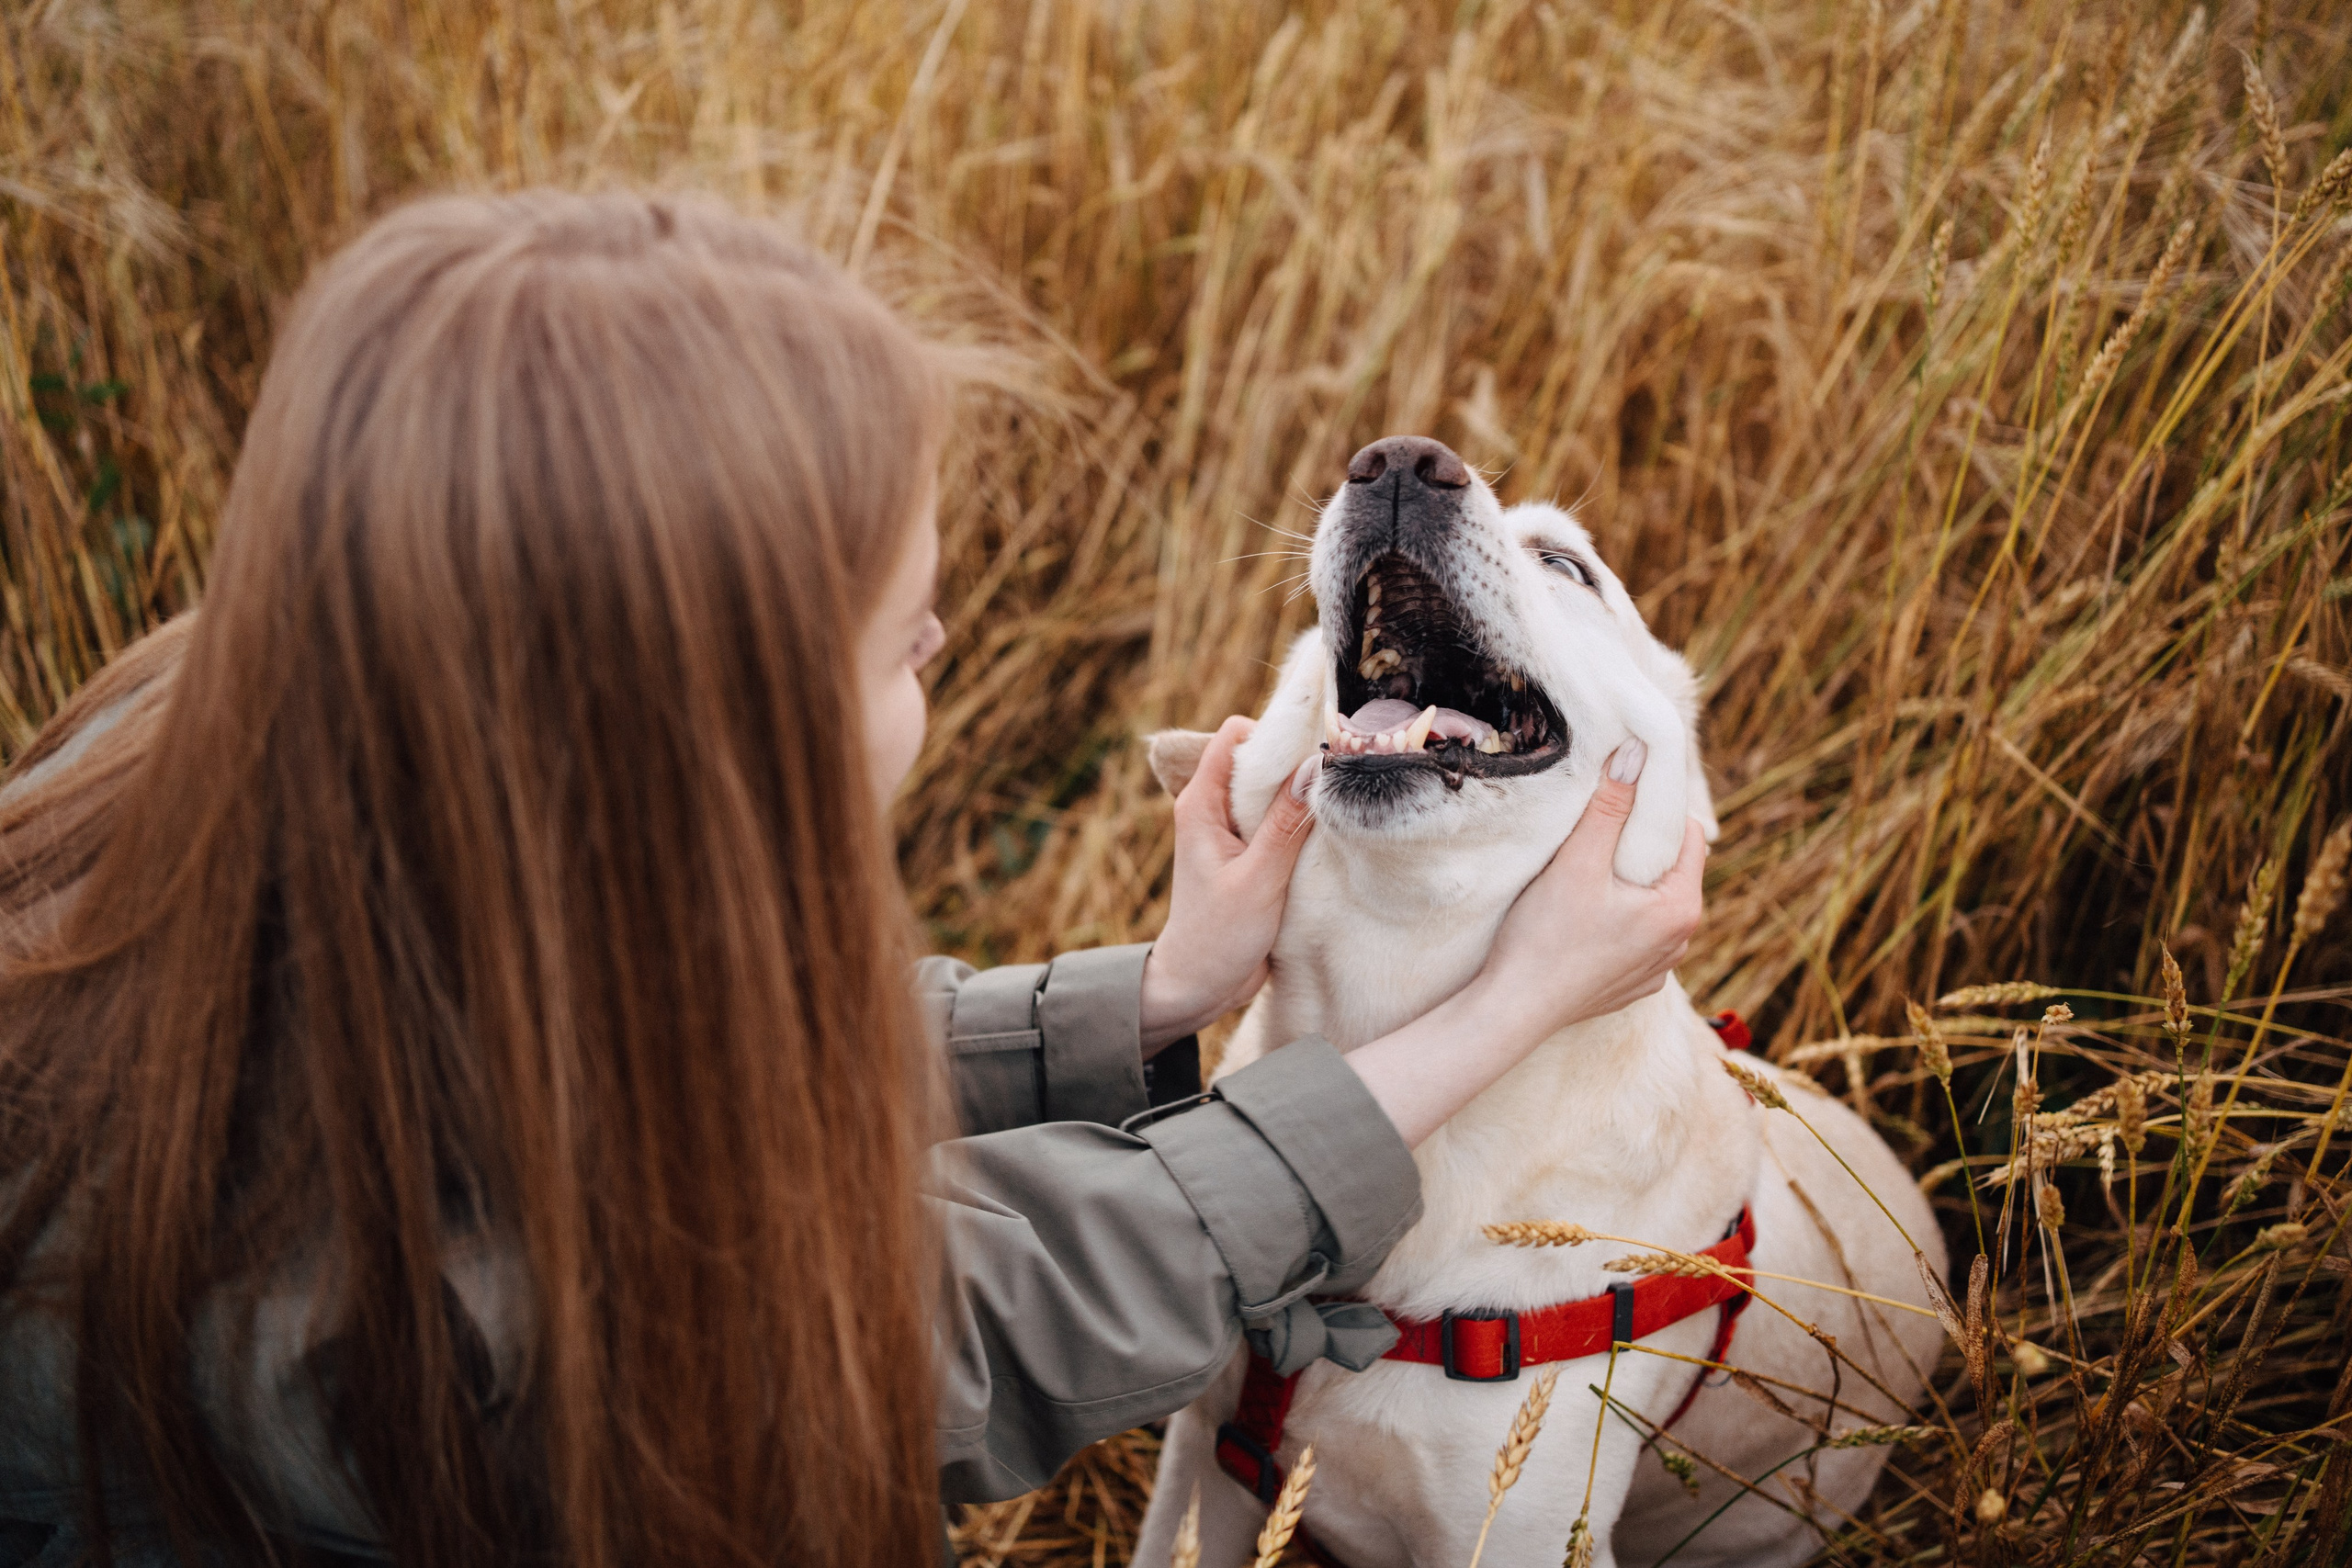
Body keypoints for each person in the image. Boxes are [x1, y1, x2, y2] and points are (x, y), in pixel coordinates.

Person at [0, 192, 1704, 1568]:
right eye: (904, 637)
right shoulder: (423, 1326)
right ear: (690, 731)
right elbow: (971, 1319)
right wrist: (1513, 1006)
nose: (948, 642)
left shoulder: (225, 763)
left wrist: (1166, 994)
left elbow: (684, 1084)